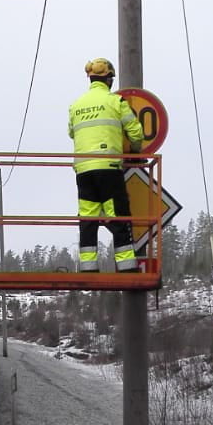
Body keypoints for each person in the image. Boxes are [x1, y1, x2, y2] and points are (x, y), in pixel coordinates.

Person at [68, 58, 144, 272]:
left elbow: (71, 132)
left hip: (83, 170)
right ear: (109, 79)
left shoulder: (76, 105)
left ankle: (88, 267)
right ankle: (127, 265)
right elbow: (136, 132)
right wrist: (135, 152)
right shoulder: (116, 102)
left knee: (88, 217)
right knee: (118, 215)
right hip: (109, 168)